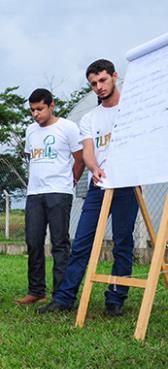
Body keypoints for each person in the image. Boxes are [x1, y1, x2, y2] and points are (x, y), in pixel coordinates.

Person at [38, 59, 139, 316]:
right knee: (82, 242)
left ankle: (115, 299)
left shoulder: (132, 109)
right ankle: (64, 299)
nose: (99, 87)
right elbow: (88, 153)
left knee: (123, 242)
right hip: (99, 186)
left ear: (114, 76)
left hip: (127, 185)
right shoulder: (90, 118)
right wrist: (94, 169)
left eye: (103, 80)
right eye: (93, 83)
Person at [15, 88, 84, 305]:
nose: (36, 114)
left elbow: (79, 159)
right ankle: (36, 290)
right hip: (34, 193)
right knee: (33, 241)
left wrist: (70, 181)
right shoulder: (30, 131)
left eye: (40, 109)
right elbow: (31, 158)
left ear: (51, 105)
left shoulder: (68, 128)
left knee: (59, 243)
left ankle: (61, 294)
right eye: (32, 110)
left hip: (59, 192)